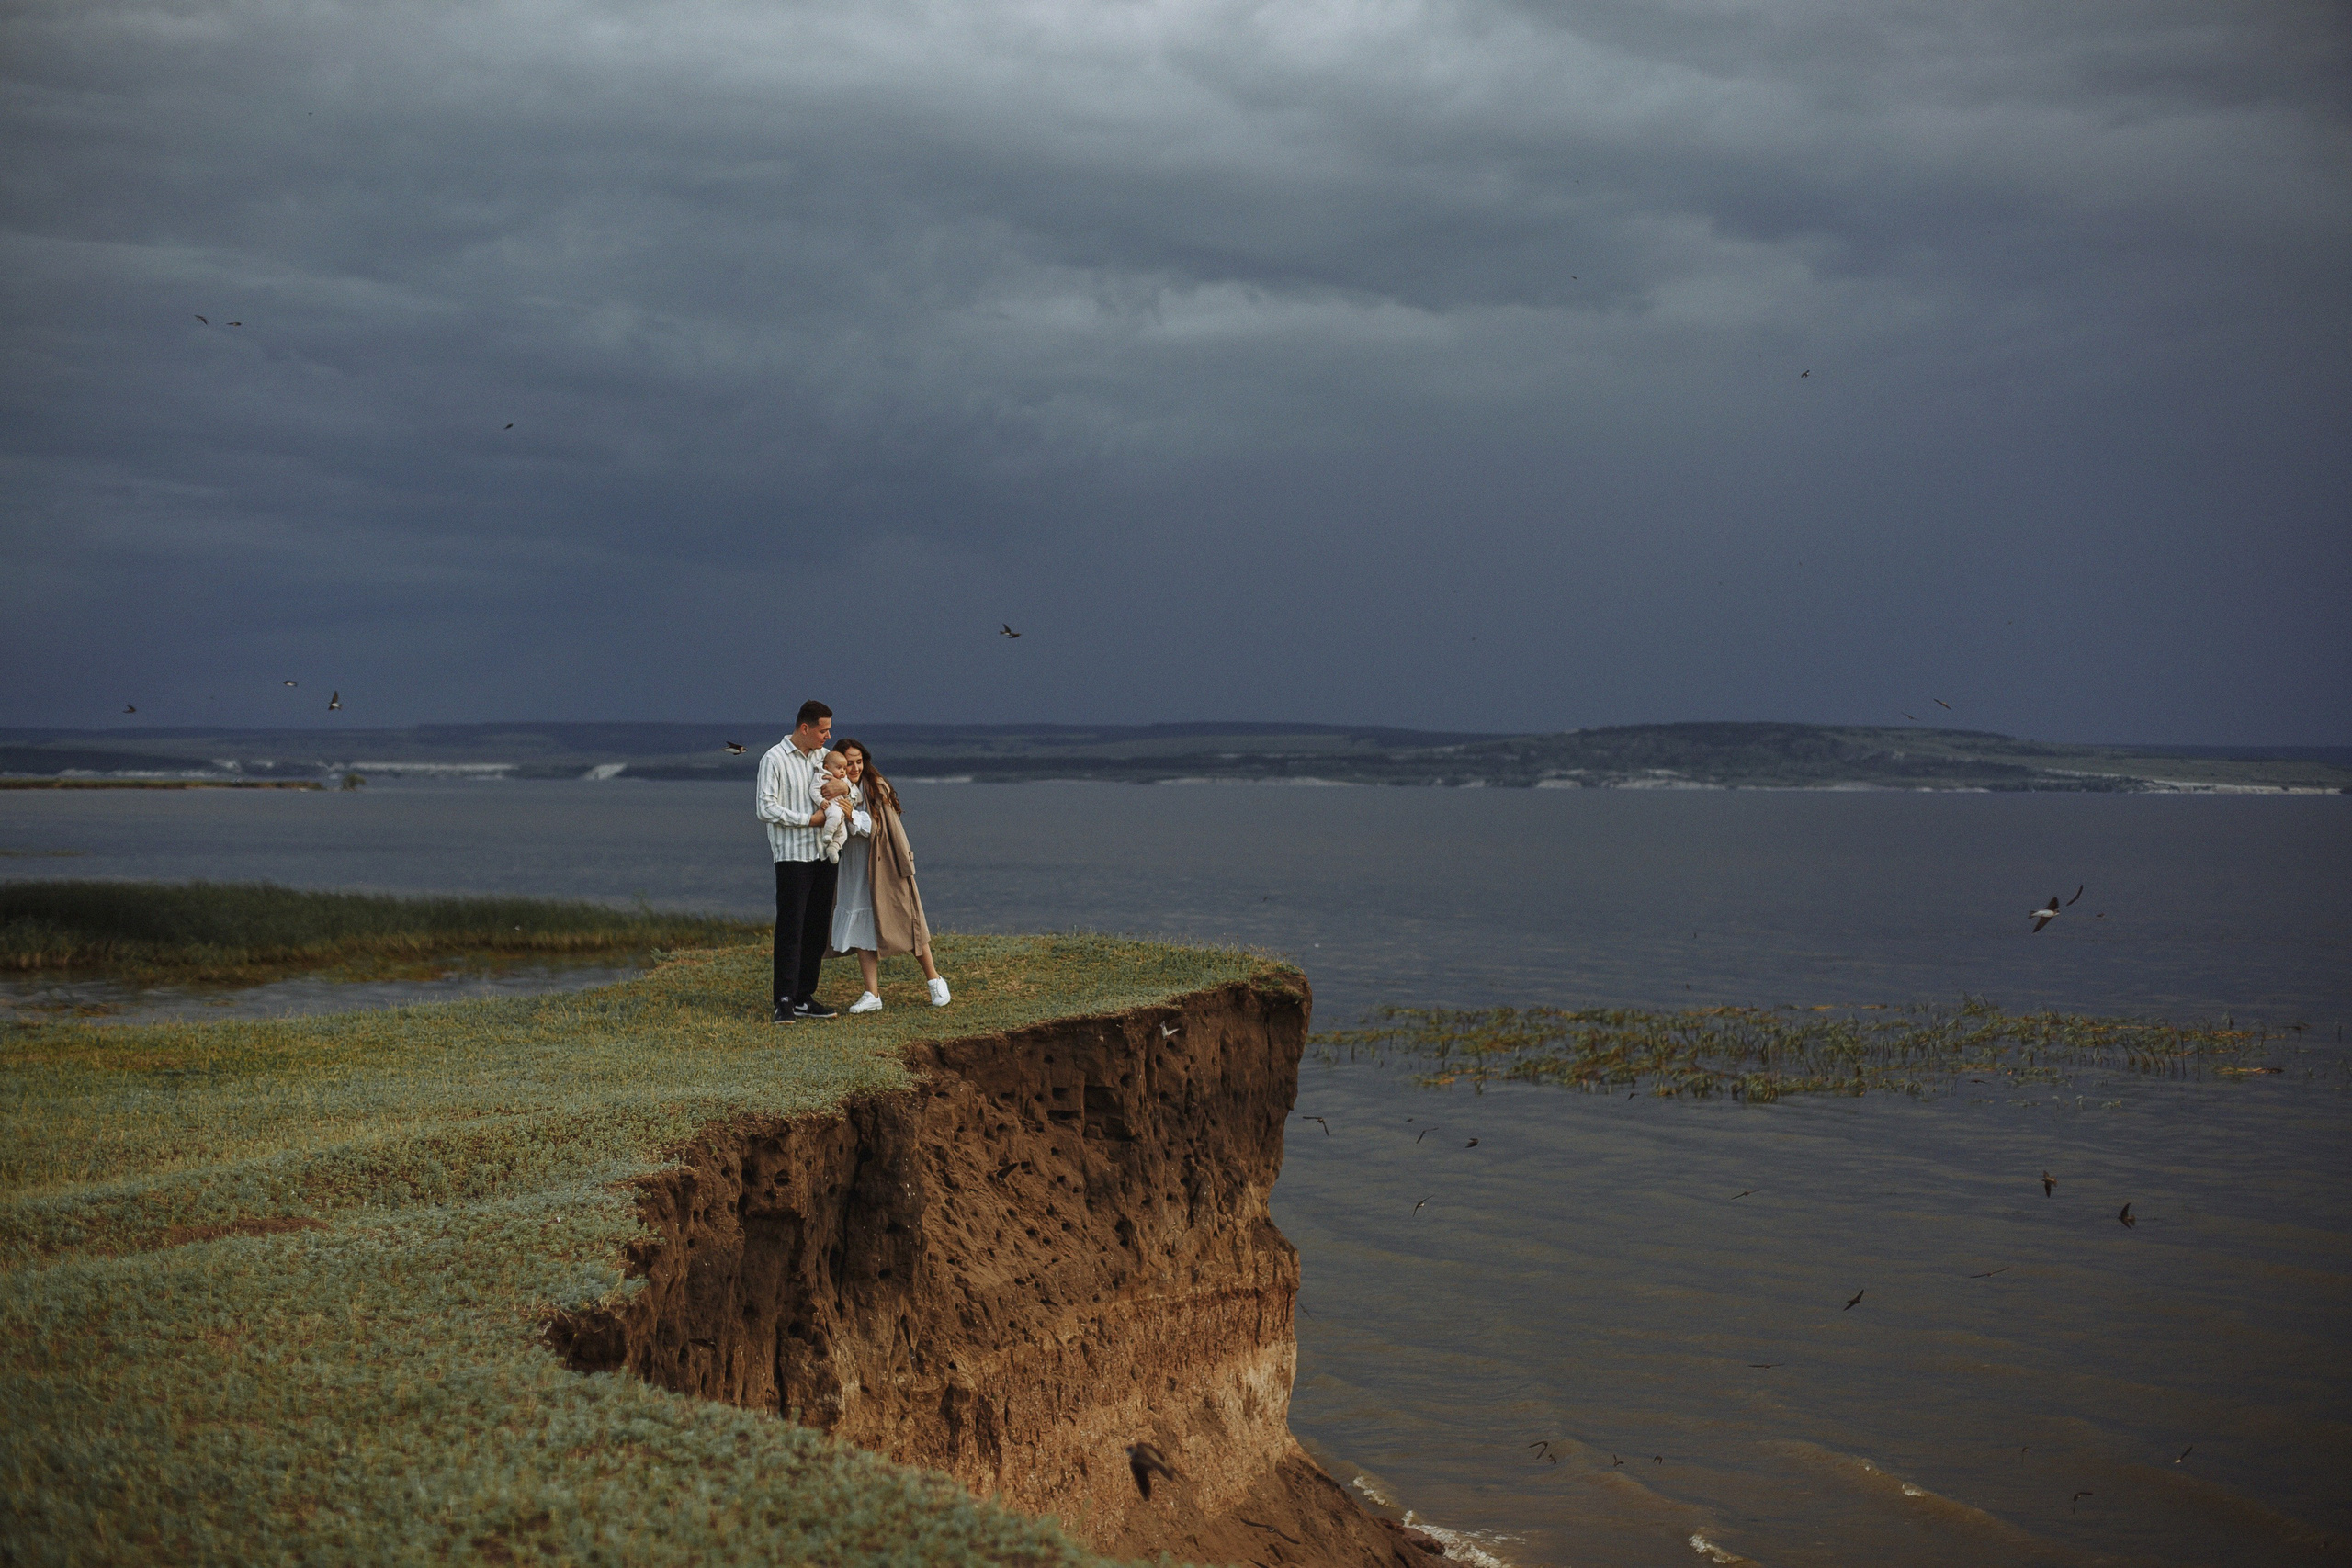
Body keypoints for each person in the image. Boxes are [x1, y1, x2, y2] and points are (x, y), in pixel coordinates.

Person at [827, 738, 949, 1013]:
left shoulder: (875, 787)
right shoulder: (837, 786)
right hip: (853, 866)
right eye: (849, 762)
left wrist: (852, 818)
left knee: (907, 920)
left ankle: (934, 979)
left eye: (859, 761)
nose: (855, 767)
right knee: (860, 924)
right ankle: (872, 993)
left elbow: (878, 827)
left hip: (884, 866)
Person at [754, 700, 856, 1023]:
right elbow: (765, 808)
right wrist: (809, 820)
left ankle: (804, 996)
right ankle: (783, 1000)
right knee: (791, 928)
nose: (829, 736)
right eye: (824, 730)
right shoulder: (774, 759)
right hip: (792, 856)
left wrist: (846, 789)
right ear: (805, 728)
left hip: (824, 854)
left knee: (816, 928)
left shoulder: (823, 759)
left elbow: (848, 791)